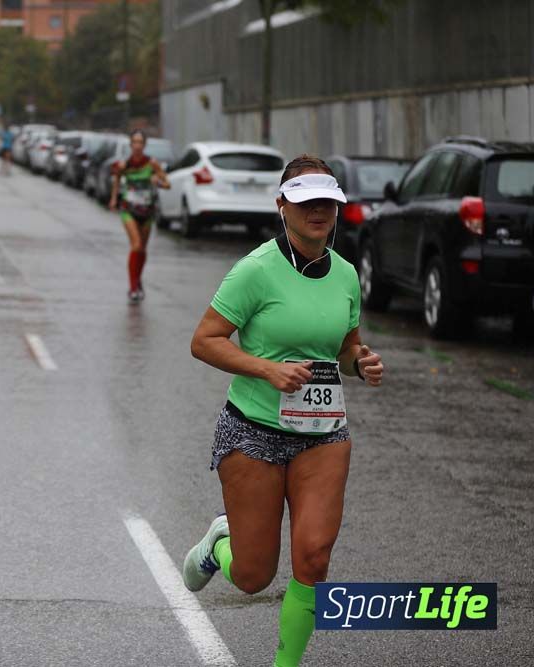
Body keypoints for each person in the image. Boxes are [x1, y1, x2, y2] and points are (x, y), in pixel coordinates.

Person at [181, 154, 385, 667]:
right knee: (253, 577)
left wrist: (361, 363)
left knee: (313, 559)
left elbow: (344, 348)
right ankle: (219, 543)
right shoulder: (255, 270)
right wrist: (266, 369)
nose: (318, 211)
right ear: (282, 207)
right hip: (254, 431)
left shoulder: (343, 274)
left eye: (327, 202)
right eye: (305, 201)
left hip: (324, 432)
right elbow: (204, 342)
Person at [108, 129, 170, 304]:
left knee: (142, 249)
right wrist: (114, 199)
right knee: (135, 246)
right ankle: (133, 287)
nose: (137, 146)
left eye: (140, 142)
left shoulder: (152, 164)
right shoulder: (124, 165)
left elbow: (168, 184)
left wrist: (157, 181)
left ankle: (137, 277)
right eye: (134, 142)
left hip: (147, 212)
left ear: (144, 145)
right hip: (129, 209)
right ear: (130, 145)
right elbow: (116, 181)